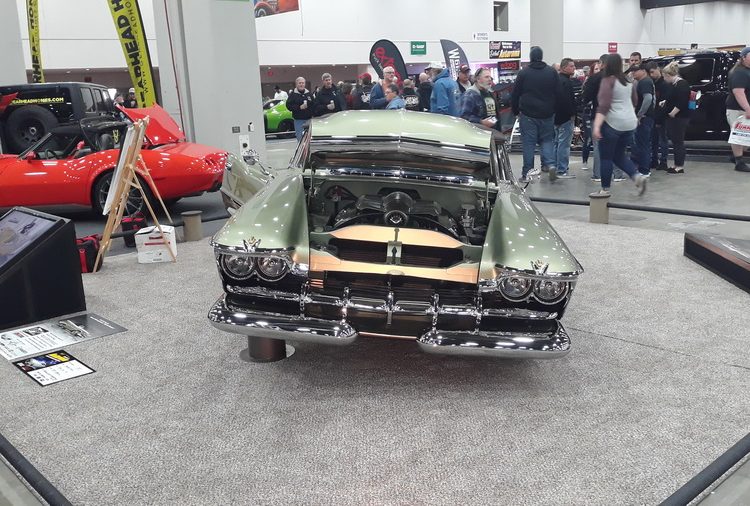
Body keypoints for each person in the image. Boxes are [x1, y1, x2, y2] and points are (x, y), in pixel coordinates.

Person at [591, 53, 648, 197]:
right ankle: (637, 176)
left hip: (612, 124)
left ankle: (605, 189)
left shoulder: (607, 81)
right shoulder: (628, 81)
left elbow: (604, 105)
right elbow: (635, 101)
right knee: (619, 155)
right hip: (629, 123)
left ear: (607, 65)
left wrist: (597, 126)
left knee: (606, 157)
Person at [511, 46, 558, 181]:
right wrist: (554, 109)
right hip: (547, 114)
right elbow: (558, 92)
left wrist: (515, 111)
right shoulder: (551, 72)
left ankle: (527, 173)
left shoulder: (524, 73)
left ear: (531, 57)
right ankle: (550, 164)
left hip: (528, 114)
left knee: (529, 144)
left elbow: (515, 94)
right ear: (541, 56)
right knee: (547, 140)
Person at [660, 61, 691, 174]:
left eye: (664, 77)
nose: (664, 79)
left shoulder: (682, 84)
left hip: (679, 117)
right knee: (675, 141)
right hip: (674, 117)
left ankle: (679, 165)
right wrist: (665, 102)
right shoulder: (674, 85)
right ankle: (676, 164)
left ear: (668, 75)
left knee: (678, 141)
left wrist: (673, 113)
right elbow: (673, 97)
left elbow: (682, 101)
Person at [553, 58, 578, 180]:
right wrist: (572, 114)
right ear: (564, 68)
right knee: (564, 144)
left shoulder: (556, 80)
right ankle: (562, 170)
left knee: (557, 143)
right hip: (565, 118)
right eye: (571, 66)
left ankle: (555, 167)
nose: (574, 68)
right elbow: (566, 101)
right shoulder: (566, 82)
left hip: (555, 117)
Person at [726, 46, 750, 172]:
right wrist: (747, 109)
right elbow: (738, 92)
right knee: (739, 135)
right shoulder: (740, 72)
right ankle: (739, 162)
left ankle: (736, 156)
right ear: (743, 58)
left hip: (743, 109)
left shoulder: (746, 71)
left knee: (744, 136)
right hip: (738, 110)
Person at [629, 63, 655, 176]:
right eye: (632, 71)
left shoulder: (645, 82)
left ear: (643, 71)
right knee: (641, 144)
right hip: (647, 117)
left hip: (644, 118)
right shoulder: (646, 81)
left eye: (635, 71)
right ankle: (642, 168)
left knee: (642, 144)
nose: (633, 73)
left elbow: (648, 98)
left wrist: (640, 114)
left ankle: (644, 170)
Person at [646, 61, 671, 171]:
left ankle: (664, 161)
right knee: (653, 140)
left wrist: (659, 119)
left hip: (662, 116)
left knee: (663, 139)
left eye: (652, 72)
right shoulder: (652, 83)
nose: (651, 75)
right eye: (649, 73)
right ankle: (654, 160)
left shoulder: (664, 84)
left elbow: (664, 103)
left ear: (658, 69)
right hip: (653, 115)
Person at [286, 77, 314, 142]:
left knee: (310, 139)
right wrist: (299, 107)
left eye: (303, 83)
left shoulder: (309, 94)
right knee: (300, 138)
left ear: (305, 84)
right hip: (298, 120)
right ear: (296, 84)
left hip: (309, 120)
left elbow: (314, 104)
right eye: (300, 83)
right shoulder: (293, 95)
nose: (301, 84)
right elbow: (288, 106)